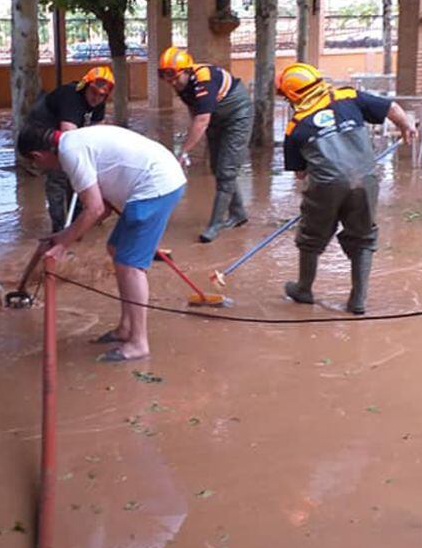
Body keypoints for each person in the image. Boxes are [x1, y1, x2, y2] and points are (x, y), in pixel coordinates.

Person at [17, 123, 186, 362]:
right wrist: (64, 235)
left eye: (36, 164)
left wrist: (63, 245)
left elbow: (94, 209)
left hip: (156, 184)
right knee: (116, 249)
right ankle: (126, 328)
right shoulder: (71, 142)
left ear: (38, 155)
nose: (40, 169)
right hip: (158, 175)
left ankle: (139, 342)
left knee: (129, 265)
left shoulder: (70, 153)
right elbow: (103, 208)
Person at [277, 62, 416, 315]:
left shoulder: (295, 126)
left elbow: (300, 174)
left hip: (326, 185)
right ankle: (358, 300)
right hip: (366, 178)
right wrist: (406, 126)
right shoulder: (348, 96)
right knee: (363, 237)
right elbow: (391, 107)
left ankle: (304, 289)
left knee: (310, 238)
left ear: (292, 96)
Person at [157, 47, 253, 243]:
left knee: (227, 169)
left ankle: (215, 225)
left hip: (238, 116)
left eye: (175, 77)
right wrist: (196, 143)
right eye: (167, 78)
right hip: (216, 118)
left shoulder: (204, 79)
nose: (172, 82)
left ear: (187, 70)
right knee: (216, 166)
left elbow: (202, 119)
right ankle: (238, 213)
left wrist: (183, 152)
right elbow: (196, 113)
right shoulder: (183, 88)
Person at [27, 66, 114, 232]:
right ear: (85, 87)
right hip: (44, 136)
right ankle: (59, 228)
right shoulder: (71, 97)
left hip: (66, 136)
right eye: (93, 92)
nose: (96, 98)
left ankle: (79, 225)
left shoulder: (99, 103)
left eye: (102, 96)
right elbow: (70, 138)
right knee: (58, 179)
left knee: (82, 177)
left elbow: (97, 133)